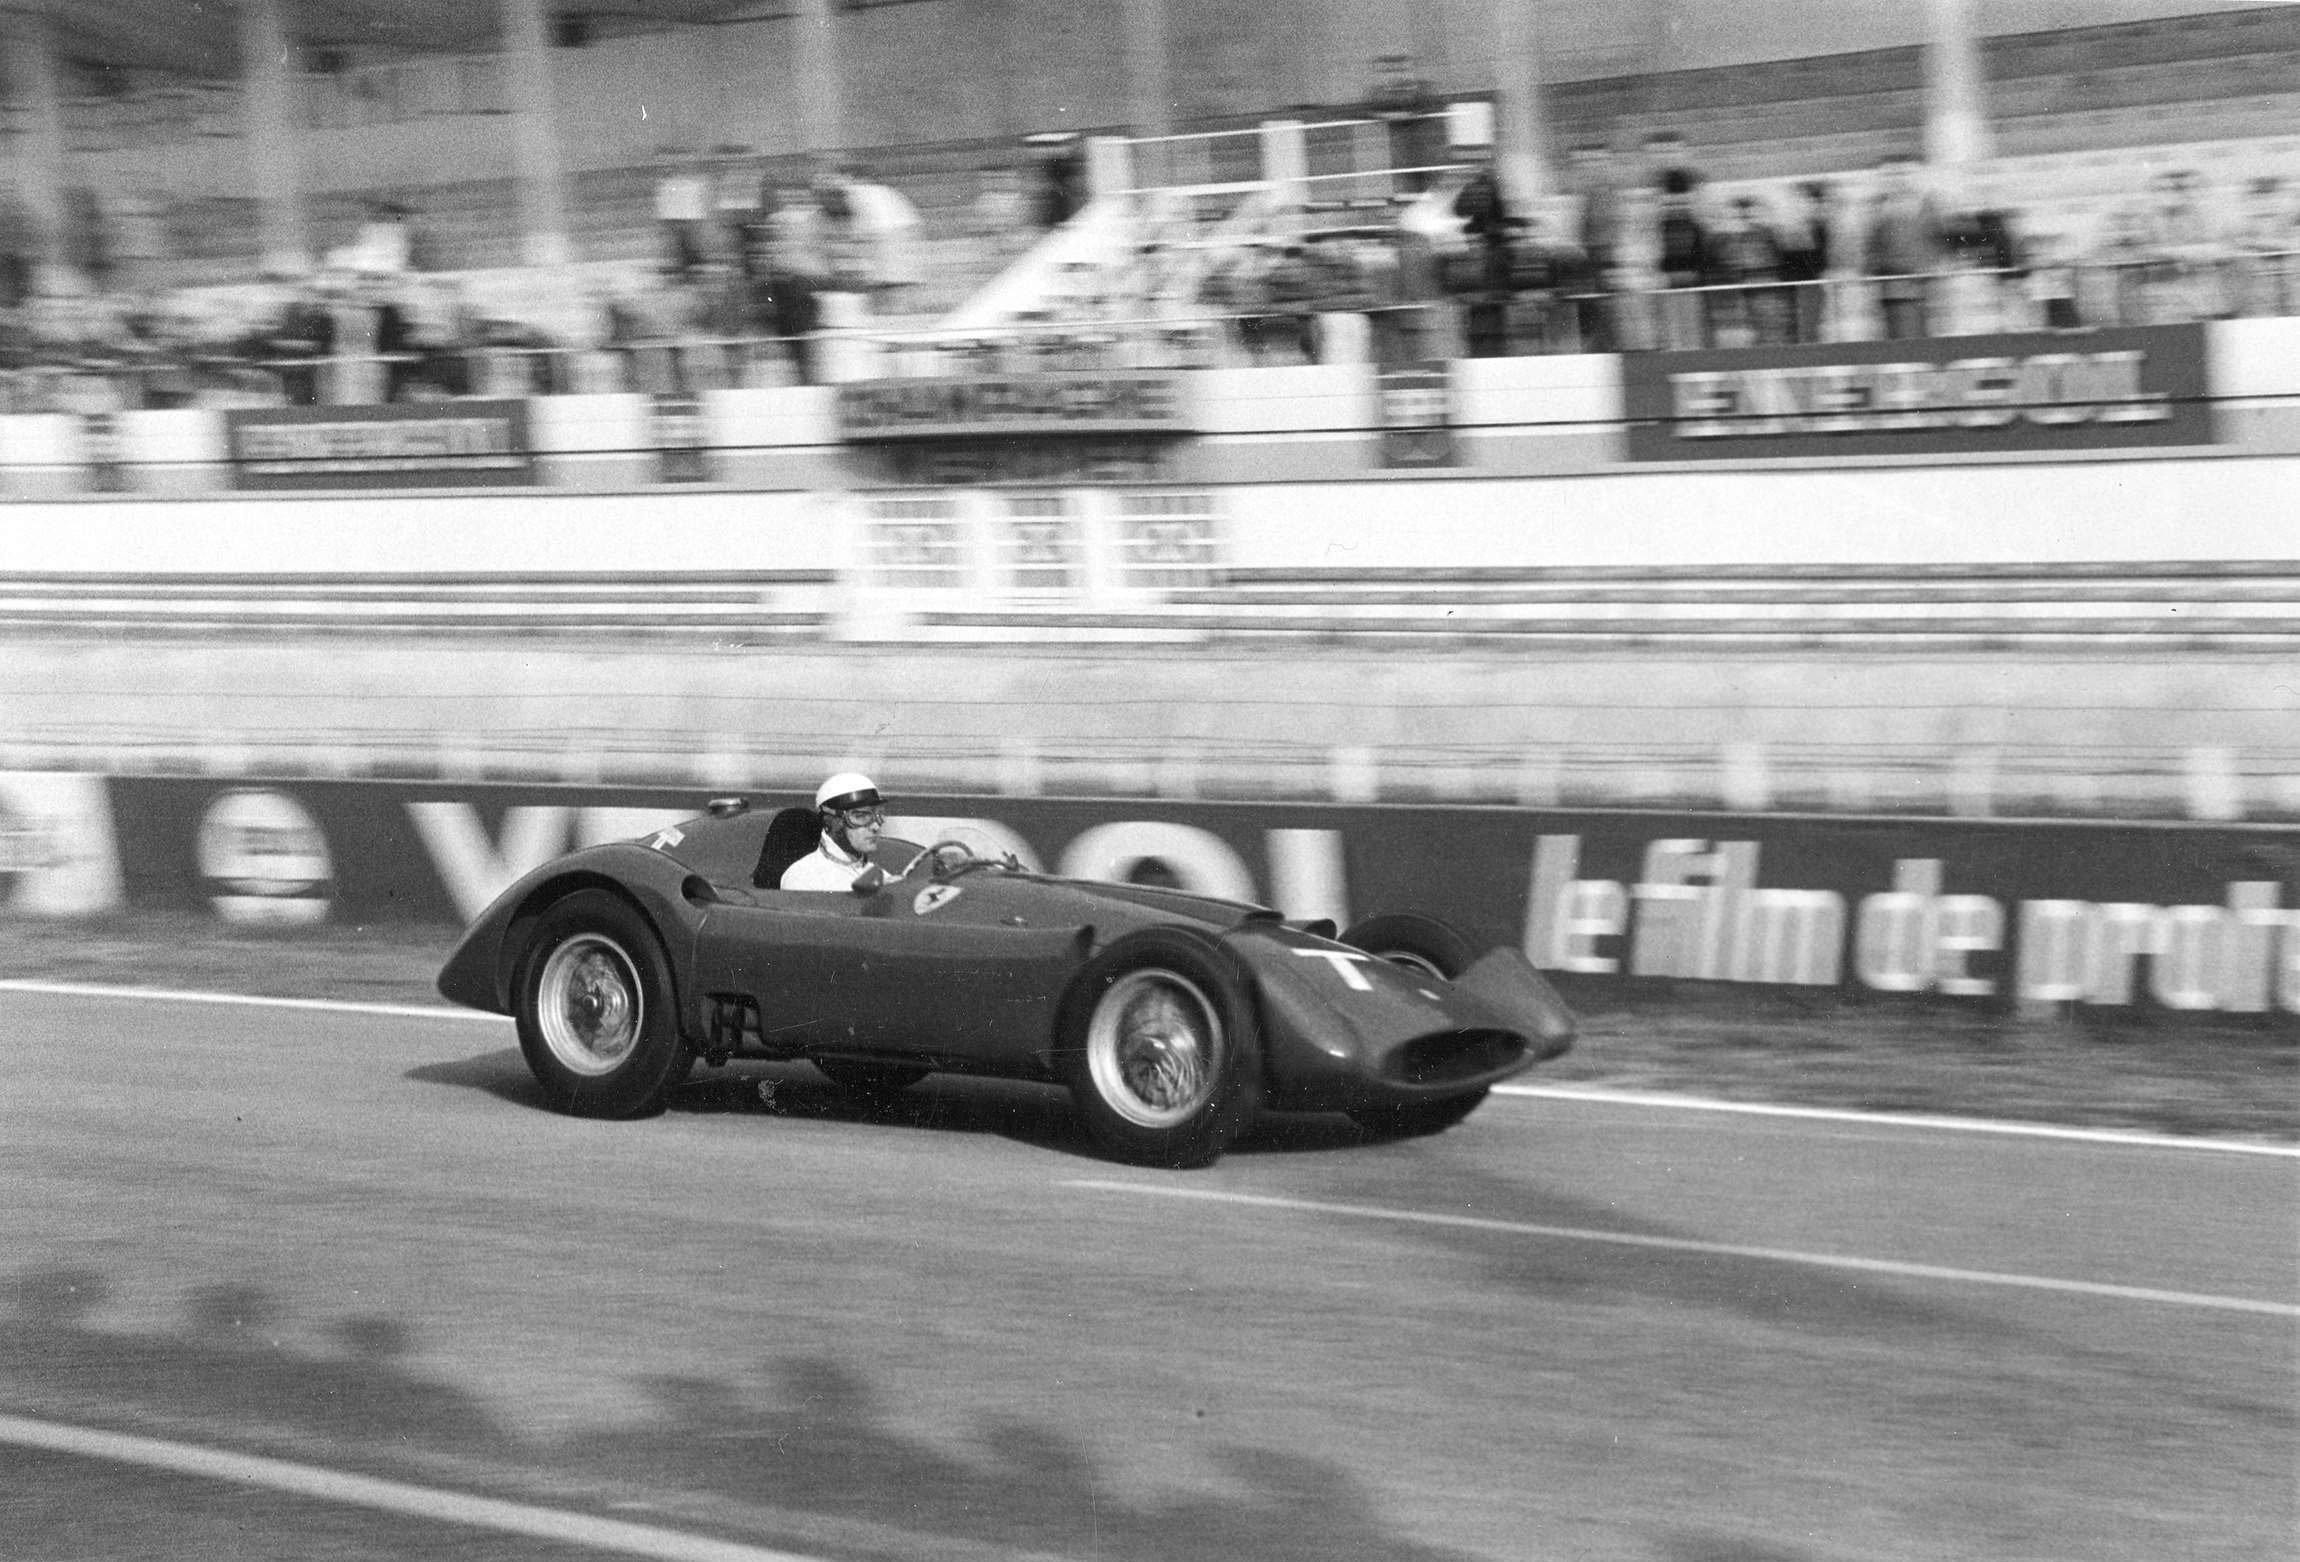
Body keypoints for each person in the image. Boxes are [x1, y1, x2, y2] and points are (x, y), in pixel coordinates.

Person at [781, 773, 890, 892]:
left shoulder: (882, 877)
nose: (875, 826)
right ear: (829, 821)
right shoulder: (802, 878)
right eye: (860, 816)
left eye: (878, 815)